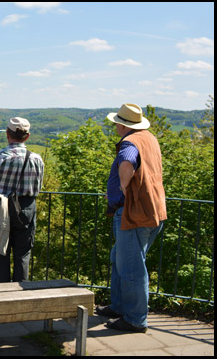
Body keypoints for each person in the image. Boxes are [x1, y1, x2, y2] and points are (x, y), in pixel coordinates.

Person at [96, 103, 167, 333]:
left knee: (132, 268)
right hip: (153, 209)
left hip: (133, 213)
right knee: (120, 258)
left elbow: (127, 161)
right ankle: (118, 306)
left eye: (117, 122)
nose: (115, 125)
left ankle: (135, 320)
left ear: (122, 124)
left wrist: (124, 186)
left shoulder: (130, 142)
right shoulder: (150, 138)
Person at [0, 117, 44, 282]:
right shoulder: (37, 159)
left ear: (8, 134)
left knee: (1, 251)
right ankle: (21, 295)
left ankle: (2, 295)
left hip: (1, 206)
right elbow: (38, 186)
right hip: (27, 207)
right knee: (23, 253)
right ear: (27, 136)